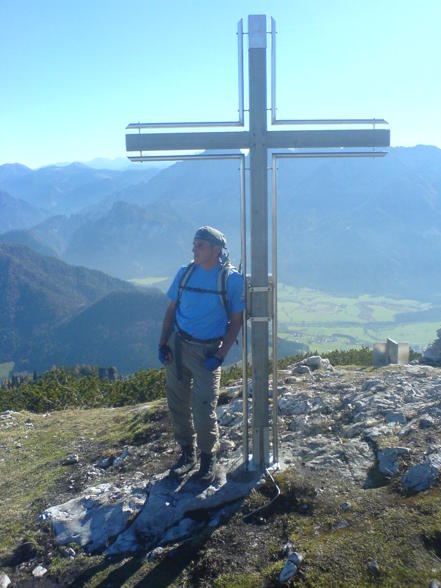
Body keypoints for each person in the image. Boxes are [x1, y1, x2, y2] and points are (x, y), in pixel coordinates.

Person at [158, 226, 245, 484]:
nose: (194, 249)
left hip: (207, 350)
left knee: (203, 407)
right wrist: (163, 344)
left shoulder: (230, 280)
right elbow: (171, 310)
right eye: (194, 244)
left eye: (200, 245)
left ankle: (208, 457)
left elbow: (237, 322)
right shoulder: (185, 273)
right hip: (178, 346)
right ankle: (187, 453)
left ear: (216, 250)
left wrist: (220, 355)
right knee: (177, 402)